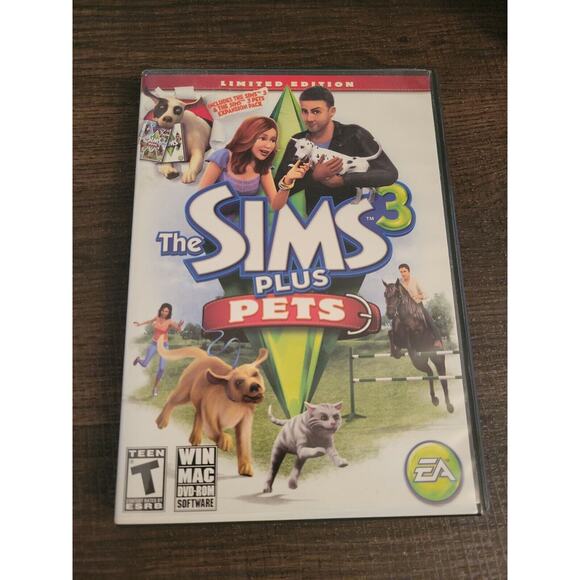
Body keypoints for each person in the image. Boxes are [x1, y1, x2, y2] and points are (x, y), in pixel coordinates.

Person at [274, 86, 399, 214]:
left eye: (316, 112)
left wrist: (343, 180)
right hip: (315, 217)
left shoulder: (355, 134)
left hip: (356, 214)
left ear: (332, 111)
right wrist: (313, 176)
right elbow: (277, 188)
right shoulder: (298, 141)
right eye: (305, 111)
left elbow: (390, 174)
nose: (309, 118)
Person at [198, 116, 310, 213]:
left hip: (242, 223)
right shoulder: (224, 156)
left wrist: (288, 180)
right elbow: (200, 196)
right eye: (262, 138)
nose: (269, 146)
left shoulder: (263, 166)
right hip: (213, 219)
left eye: (273, 140)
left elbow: (276, 205)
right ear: (248, 136)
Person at [133, 303, 184, 397]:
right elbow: (149, 321)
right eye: (163, 310)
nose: (164, 313)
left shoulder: (170, 322)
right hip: (154, 344)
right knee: (144, 364)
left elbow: (178, 330)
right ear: (160, 310)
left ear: (169, 312)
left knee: (161, 368)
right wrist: (140, 324)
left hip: (164, 345)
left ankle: (155, 387)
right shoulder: (157, 318)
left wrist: (179, 326)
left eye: (166, 311)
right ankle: (138, 359)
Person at [397, 264, 443, 348]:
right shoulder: (400, 282)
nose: (403, 274)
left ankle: (438, 340)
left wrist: (417, 296)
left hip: (418, 306)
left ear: (409, 271)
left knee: (429, 320)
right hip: (405, 308)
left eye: (404, 271)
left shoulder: (415, 281)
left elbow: (426, 294)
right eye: (401, 272)